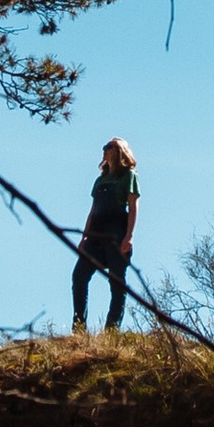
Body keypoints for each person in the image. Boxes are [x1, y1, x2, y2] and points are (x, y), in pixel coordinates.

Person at [72, 137, 139, 333]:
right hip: (95, 234)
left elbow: (133, 207)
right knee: (79, 276)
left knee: (116, 280)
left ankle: (111, 329)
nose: (104, 150)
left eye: (108, 147)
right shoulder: (100, 180)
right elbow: (93, 211)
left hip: (116, 231)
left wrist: (129, 236)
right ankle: (78, 328)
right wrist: (84, 237)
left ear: (119, 151)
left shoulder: (129, 176)